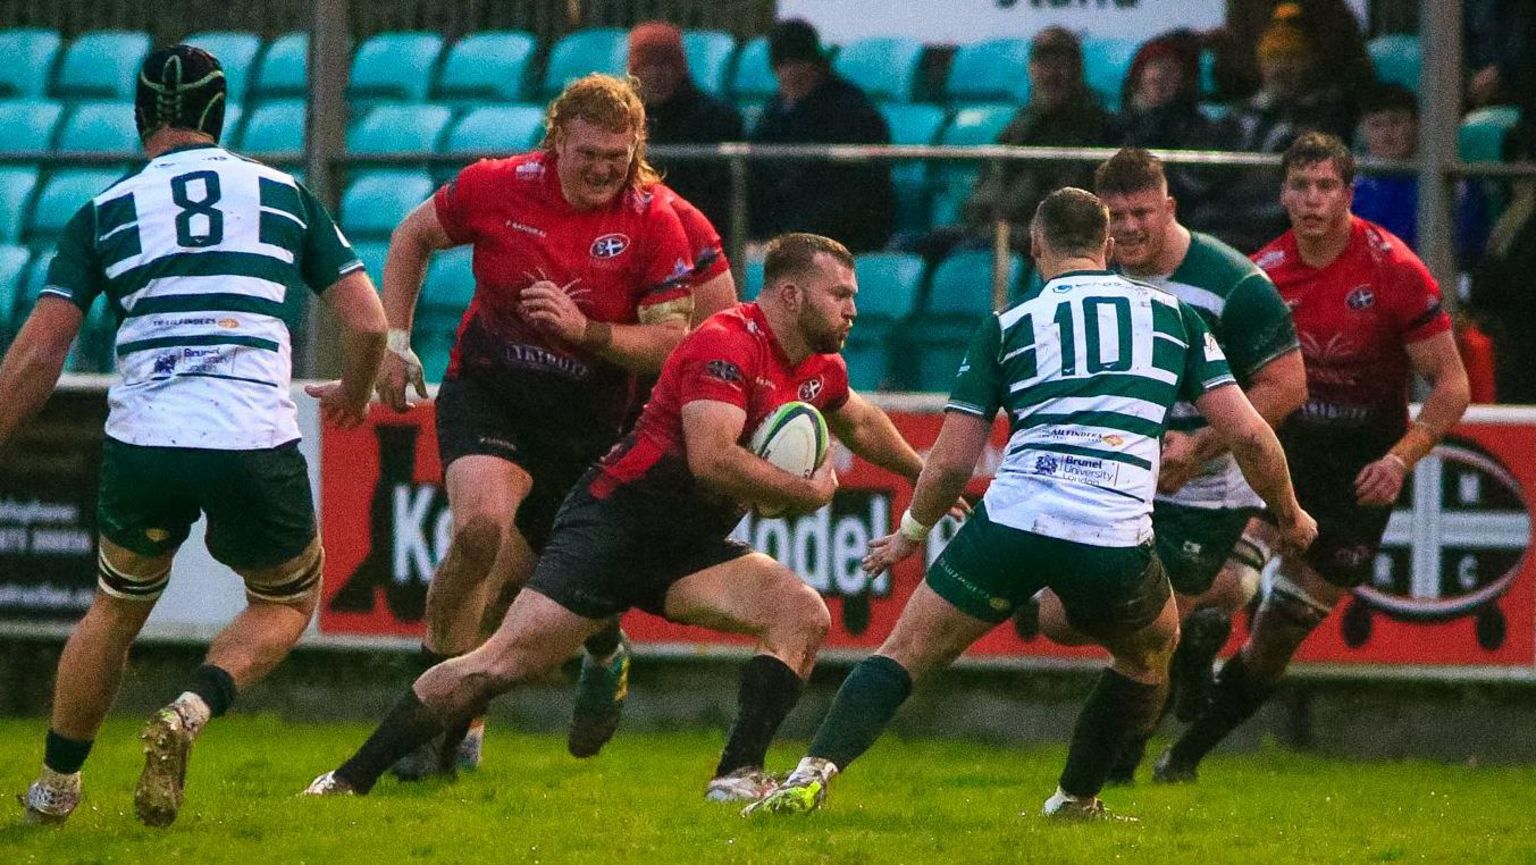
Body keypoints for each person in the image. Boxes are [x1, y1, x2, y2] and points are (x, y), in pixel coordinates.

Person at [745, 189, 1316, 822]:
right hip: (1112, 531)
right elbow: (1248, 434)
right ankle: (1076, 798)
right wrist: (1287, 514)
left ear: (1036, 247)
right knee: (1150, 656)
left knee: (903, 653)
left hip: (1014, 521)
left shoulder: (1009, 324)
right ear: (1105, 247)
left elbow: (955, 459)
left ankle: (809, 775)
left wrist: (912, 531)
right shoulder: (1175, 318)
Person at [304, 233, 938, 802]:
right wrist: (805, 494)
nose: (855, 309)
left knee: (800, 613)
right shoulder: (726, 343)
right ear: (793, 295)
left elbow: (855, 417)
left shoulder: (819, 366)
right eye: (842, 295)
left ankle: (737, 775)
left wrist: (921, 473)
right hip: (615, 527)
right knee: (497, 665)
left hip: (687, 545)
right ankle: (347, 777)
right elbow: (712, 461)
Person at [9, 45, 387, 826]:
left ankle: (53, 789)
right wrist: (352, 393)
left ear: (142, 115)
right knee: (285, 598)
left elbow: (42, 348)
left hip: (147, 435)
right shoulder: (285, 194)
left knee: (115, 606)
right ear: (221, 115)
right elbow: (368, 322)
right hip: (250, 431)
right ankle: (188, 707)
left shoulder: (104, 209)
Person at [355, 73, 699, 778]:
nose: (606, 168)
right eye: (590, 153)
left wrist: (588, 331)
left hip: (587, 424)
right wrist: (395, 342)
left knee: (538, 582)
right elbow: (412, 235)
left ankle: (602, 646)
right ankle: (429, 714)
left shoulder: (655, 220)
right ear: (556, 142)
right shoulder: (497, 185)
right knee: (481, 530)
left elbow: (672, 342)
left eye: (620, 154)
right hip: (491, 392)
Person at [1154, 132, 1471, 782]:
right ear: (1283, 193)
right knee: (1228, 583)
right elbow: (1232, 384)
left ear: (1350, 195)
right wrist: (1204, 442)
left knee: (1279, 633)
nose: (1312, 199)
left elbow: (1452, 383)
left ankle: (1186, 753)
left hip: (1361, 470)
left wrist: (1404, 456)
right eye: (1300, 186)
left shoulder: (1395, 271)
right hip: (1285, 450)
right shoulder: (1261, 274)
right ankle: (1193, 658)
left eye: (1326, 186)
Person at [1032, 148, 1306, 784]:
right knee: (1057, 617)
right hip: (1114, 475)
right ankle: (1191, 651)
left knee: (1149, 627)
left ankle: (1110, 770)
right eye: (1116, 216)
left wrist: (1198, 446)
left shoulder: (1234, 284)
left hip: (1206, 485)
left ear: (1170, 209)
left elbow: (1286, 386)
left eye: (1142, 213)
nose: (1128, 228)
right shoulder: (1090, 279)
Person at [748, 19, 895, 253]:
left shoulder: (852, 111)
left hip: (841, 234)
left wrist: (790, 239)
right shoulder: (776, 111)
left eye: (799, 63)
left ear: (816, 64)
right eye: (782, 66)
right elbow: (757, 175)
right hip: (779, 231)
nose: (791, 74)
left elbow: (855, 194)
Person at [960, 27, 1113, 251]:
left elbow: (1066, 199)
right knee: (908, 243)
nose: (1051, 74)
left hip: (1043, 236)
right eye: (1044, 64)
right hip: (995, 229)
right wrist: (982, 216)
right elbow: (990, 181)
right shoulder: (1020, 123)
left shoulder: (1095, 126)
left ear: (1076, 71)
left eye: (1061, 65)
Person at [628, 21, 743, 239]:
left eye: (665, 65)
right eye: (646, 66)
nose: (656, 74)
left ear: (679, 69)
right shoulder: (622, 119)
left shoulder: (717, 120)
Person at [1350, 84, 1489, 263]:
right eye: (1376, 125)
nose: (1387, 134)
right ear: (1363, 131)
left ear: (1417, 125)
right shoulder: (1348, 183)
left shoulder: (1453, 178)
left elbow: (1468, 243)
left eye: (1395, 122)